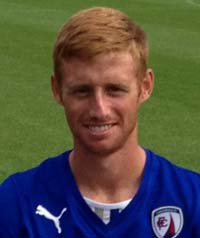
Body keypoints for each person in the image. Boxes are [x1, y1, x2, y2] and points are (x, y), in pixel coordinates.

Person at [0, 6, 199, 238]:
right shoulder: (16, 204)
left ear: (145, 86)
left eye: (114, 90)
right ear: (57, 90)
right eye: (82, 91)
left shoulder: (192, 201)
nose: (99, 109)